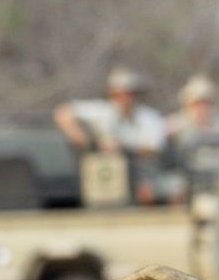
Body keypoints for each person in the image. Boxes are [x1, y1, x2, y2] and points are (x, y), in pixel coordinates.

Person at [53, 68, 166, 204]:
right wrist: (77, 134)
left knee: (149, 191)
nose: (125, 98)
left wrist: (121, 148)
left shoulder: (149, 117)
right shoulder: (103, 112)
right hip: (105, 166)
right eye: (120, 94)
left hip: (140, 168)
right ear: (112, 94)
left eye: (130, 94)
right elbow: (63, 112)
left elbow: (152, 150)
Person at [165, 75, 219, 161]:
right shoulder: (176, 122)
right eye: (197, 103)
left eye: (206, 103)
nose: (202, 108)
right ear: (187, 103)